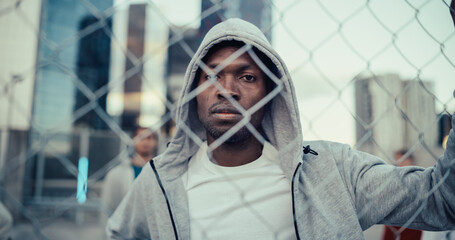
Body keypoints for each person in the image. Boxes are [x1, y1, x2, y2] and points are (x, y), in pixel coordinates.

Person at [107, 18, 455, 239]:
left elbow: (443, 201)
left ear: (271, 95)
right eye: (212, 74)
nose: (226, 89)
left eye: (247, 76)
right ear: (192, 92)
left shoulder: (333, 171)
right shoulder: (160, 181)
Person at [101, 126, 158, 218]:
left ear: (156, 142)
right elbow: (108, 205)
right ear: (132, 141)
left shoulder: (162, 173)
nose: (145, 142)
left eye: (149, 138)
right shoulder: (117, 173)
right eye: (140, 137)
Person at [381, 150, 423, 240]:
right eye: (397, 161)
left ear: (411, 162)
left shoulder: (418, 180)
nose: (399, 164)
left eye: (403, 160)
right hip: (394, 224)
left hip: (412, 224)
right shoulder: (393, 181)